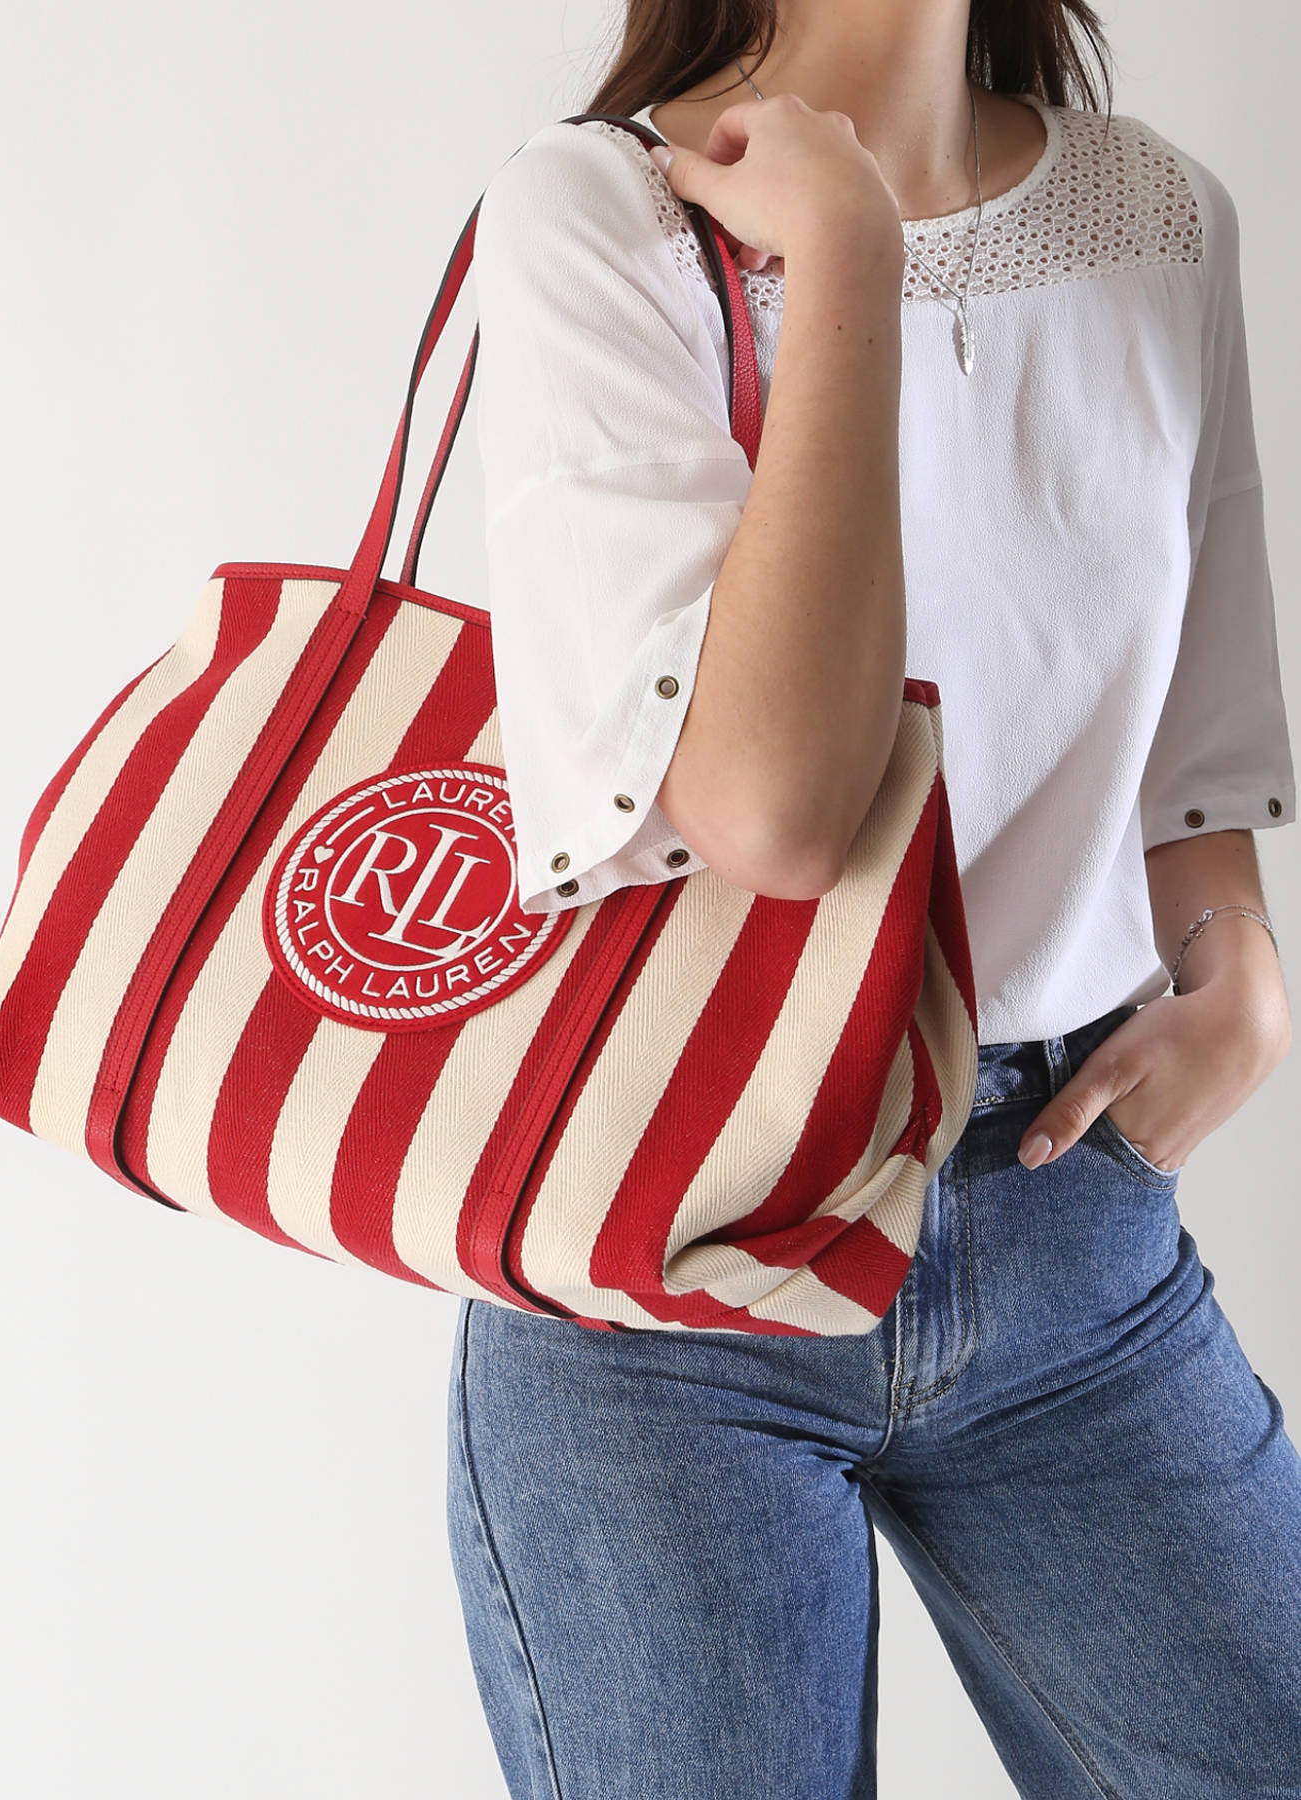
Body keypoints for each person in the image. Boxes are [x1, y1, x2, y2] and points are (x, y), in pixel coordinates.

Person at [445, 1, 1301, 1792]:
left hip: (1070, 1229)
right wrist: (842, 259)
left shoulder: (1156, 212)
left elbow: (1193, 730)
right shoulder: (599, 211)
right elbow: (771, 808)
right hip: (671, 1276)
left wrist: (1236, 970)